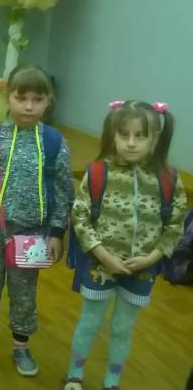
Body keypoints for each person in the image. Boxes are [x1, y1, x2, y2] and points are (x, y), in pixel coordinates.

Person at [64, 100, 186, 390]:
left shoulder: (168, 178)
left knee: (122, 327)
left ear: (155, 138)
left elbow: (175, 224)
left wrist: (152, 257)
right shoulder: (98, 172)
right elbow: (80, 217)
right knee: (90, 322)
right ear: (113, 135)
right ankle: (74, 376)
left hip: (143, 269)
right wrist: (102, 254)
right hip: (100, 265)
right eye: (124, 134)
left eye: (140, 135)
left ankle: (112, 382)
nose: (131, 143)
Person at [0, 65, 74, 377]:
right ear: (7, 97)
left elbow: (64, 191)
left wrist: (57, 232)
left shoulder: (54, 142)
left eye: (37, 99)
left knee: (24, 292)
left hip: (32, 235)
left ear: (48, 101)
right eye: (21, 98)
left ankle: (21, 346)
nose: (28, 106)